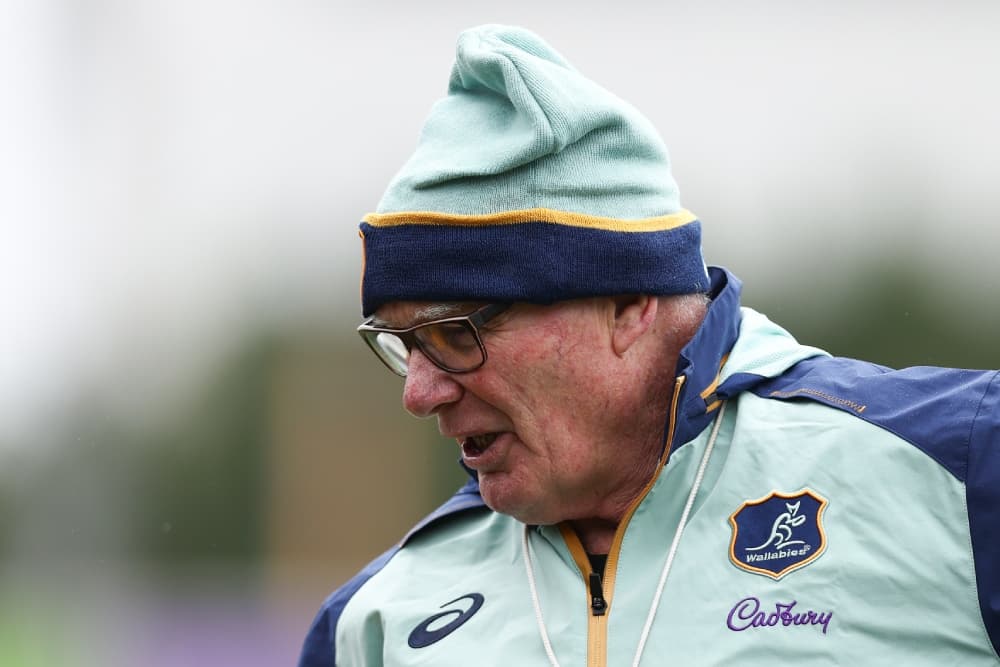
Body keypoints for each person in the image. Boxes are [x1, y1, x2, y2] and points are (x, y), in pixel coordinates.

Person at [299, 24, 999, 666]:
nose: (418, 394)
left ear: (629, 303)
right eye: (401, 345)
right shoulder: (373, 622)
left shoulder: (962, 471)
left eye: (457, 332)